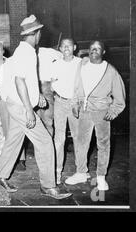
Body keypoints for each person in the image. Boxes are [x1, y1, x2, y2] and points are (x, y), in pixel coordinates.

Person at [0, 15, 72, 200]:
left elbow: (26, 82)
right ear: (35, 34)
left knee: (14, 139)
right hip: (21, 107)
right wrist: (30, 110)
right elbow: (19, 81)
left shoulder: (24, 51)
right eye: (39, 32)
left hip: (16, 103)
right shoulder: (26, 52)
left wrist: (38, 99)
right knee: (45, 143)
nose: (40, 35)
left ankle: (0, 175)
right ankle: (48, 186)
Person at [65, 40, 126, 191]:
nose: (94, 50)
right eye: (92, 48)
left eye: (98, 48)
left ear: (103, 52)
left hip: (101, 112)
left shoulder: (110, 71)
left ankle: (101, 177)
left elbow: (120, 97)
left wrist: (113, 112)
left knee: (103, 145)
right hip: (84, 111)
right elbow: (76, 86)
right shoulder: (82, 65)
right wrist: (74, 103)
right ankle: (81, 172)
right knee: (81, 142)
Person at [50, 38, 82, 185]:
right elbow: (51, 84)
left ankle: (81, 171)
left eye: (69, 45)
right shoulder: (55, 64)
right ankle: (57, 172)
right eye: (63, 46)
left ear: (74, 47)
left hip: (75, 103)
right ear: (60, 49)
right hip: (60, 103)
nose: (66, 48)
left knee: (78, 137)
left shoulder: (80, 63)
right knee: (59, 139)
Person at [0, 42, 27, 172]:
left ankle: (21, 159)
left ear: (4, 51)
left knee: (19, 128)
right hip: (2, 100)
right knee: (8, 131)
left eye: (0, 50)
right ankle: (11, 161)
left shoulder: (11, 63)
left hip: (14, 99)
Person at [36, 46, 62, 137]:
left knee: (47, 120)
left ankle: (49, 149)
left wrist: (55, 79)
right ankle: (39, 150)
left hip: (46, 86)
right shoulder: (27, 52)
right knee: (36, 123)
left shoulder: (48, 51)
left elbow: (63, 58)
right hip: (33, 87)